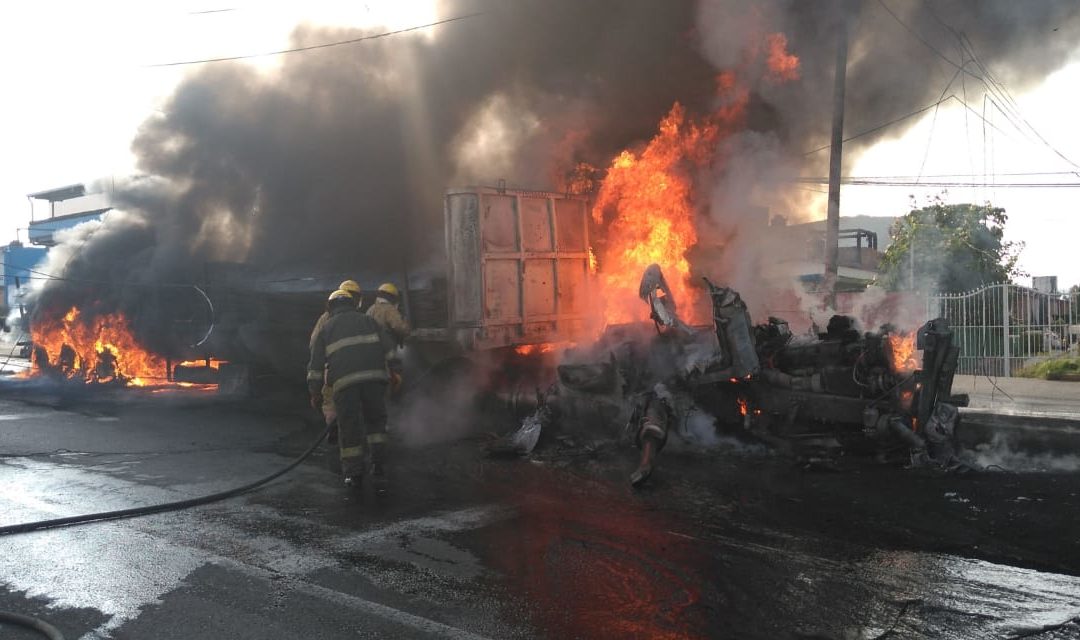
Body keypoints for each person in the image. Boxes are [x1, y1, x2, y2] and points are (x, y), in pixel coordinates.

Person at [307, 288, 394, 491]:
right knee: (376, 424)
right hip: (375, 381)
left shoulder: (326, 328)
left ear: (331, 307)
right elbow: (389, 348)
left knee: (349, 428)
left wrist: (315, 393)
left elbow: (316, 367)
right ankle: (379, 466)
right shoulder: (369, 321)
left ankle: (354, 475)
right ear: (353, 303)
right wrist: (396, 372)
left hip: (345, 386)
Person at [309, 280, 364, 440]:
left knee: (336, 410)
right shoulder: (358, 319)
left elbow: (314, 346)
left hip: (334, 373)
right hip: (345, 372)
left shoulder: (326, 319)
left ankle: (339, 440)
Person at [367, 282, 410, 395]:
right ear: (392, 297)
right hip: (388, 352)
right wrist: (406, 324)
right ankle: (394, 403)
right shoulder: (389, 310)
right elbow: (401, 329)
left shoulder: (370, 310)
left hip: (371, 355)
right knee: (394, 379)